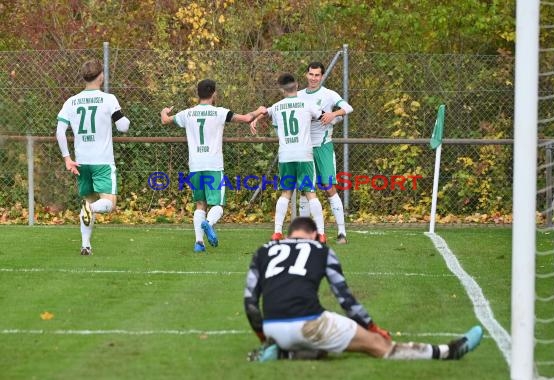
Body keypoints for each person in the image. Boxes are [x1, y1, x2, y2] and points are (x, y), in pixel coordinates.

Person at [243, 217, 483, 362]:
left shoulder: (265, 249)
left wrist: (266, 338)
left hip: (273, 327)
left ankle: (284, 353)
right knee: (378, 346)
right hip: (310, 323)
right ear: (315, 235)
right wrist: (372, 327)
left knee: (325, 348)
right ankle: (446, 352)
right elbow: (344, 297)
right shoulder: (321, 250)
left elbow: (250, 302)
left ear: (289, 234)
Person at [160, 79, 266, 253]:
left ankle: (199, 243)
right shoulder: (220, 113)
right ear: (214, 93)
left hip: (195, 166)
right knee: (217, 205)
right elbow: (247, 118)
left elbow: (165, 120)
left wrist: (163, 111)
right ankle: (208, 224)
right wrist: (259, 110)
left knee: (200, 204)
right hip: (213, 165)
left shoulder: (187, 113)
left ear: (198, 94)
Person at [56, 59, 130, 256]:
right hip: (102, 161)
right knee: (108, 203)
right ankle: (91, 212)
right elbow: (123, 127)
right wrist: (125, 120)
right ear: (101, 76)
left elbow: (60, 131)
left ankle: (86, 245)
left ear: (83, 77)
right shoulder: (108, 99)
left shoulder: (71, 101)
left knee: (88, 200)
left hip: (81, 161)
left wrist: (67, 158)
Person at [251, 73, 326, 243]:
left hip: (286, 154)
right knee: (310, 193)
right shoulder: (308, 104)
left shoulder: (276, 107)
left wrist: (255, 118)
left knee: (286, 192)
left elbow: (265, 111)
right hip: (304, 154)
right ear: (297, 85)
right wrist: (337, 114)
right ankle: (321, 233)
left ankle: (277, 232)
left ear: (281, 89)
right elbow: (324, 116)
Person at [298, 62, 353, 244]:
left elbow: (348, 108)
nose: (313, 78)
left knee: (329, 188)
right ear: (306, 75)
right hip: (304, 148)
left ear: (321, 77)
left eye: (317, 75)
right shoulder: (298, 96)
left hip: (323, 147)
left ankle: (342, 232)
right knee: (305, 189)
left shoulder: (329, 94)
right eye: (311, 74)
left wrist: (333, 114)